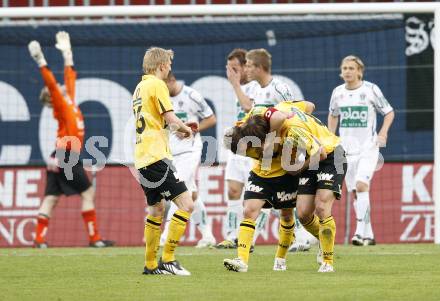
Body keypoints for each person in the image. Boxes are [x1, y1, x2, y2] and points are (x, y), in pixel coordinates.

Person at [224, 102, 346, 273]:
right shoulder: (257, 116)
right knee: (302, 214)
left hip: (329, 154)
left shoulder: (293, 132)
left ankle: (327, 260)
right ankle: (242, 260)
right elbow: (309, 106)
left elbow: (321, 154)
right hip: (299, 161)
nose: (259, 155)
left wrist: (296, 167)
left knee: (321, 206)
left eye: (259, 151)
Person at [28, 32, 114, 249]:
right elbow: (53, 82)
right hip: (66, 155)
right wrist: (41, 61)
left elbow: (70, 75)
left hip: (58, 155)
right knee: (88, 193)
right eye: (55, 88)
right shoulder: (59, 101)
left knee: (51, 197)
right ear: (51, 95)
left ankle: (39, 240)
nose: (62, 85)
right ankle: (94, 239)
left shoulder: (69, 100)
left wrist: (67, 53)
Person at [133, 47, 198, 276]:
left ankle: (150, 265)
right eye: (169, 64)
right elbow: (171, 117)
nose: (171, 68)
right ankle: (168, 259)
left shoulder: (140, 87)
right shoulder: (157, 85)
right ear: (161, 66)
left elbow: (157, 120)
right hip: (157, 156)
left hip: (142, 158)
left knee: (156, 209)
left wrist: (176, 129)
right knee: (187, 204)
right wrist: (186, 129)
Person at [328, 55, 394, 246]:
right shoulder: (338, 93)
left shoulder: (371, 89)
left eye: (351, 68)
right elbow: (333, 115)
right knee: (357, 192)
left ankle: (358, 232)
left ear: (359, 71)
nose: (347, 71)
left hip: (368, 148)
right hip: (347, 151)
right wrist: (331, 139)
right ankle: (369, 235)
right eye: (345, 68)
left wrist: (383, 133)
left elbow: (389, 112)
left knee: (362, 185)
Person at [160, 71, 217, 248]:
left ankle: (165, 237)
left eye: (164, 85)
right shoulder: (162, 98)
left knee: (178, 188)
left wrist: (193, 129)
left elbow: (211, 118)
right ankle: (208, 236)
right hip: (171, 152)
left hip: (190, 150)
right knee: (191, 193)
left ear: (172, 80)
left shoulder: (192, 95)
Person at [216, 48, 257, 249]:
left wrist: (234, 84)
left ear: (244, 67)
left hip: (256, 149)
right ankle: (233, 235)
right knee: (233, 191)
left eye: (234, 68)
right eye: (228, 68)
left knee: (262, 197)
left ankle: (300, 235)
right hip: (238, 147)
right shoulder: (237, 88)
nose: (230, 73)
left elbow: (249, 107)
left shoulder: (257, 86)